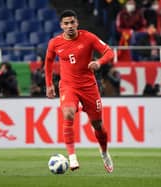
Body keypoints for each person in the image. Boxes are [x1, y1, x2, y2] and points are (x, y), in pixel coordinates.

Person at [45, 9, 114, 173]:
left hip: (89, 87)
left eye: (72, 22)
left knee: (98, 125)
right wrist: (49, 84)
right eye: (66, 23)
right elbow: (48, 62)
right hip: (68, 85)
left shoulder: (88, 37)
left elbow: (109, 52)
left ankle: (104, 152)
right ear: (61, 25)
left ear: (77, 23)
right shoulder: (55, 43)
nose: (69, 26)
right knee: (68, 112)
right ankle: (72, 157)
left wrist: (99, 62)